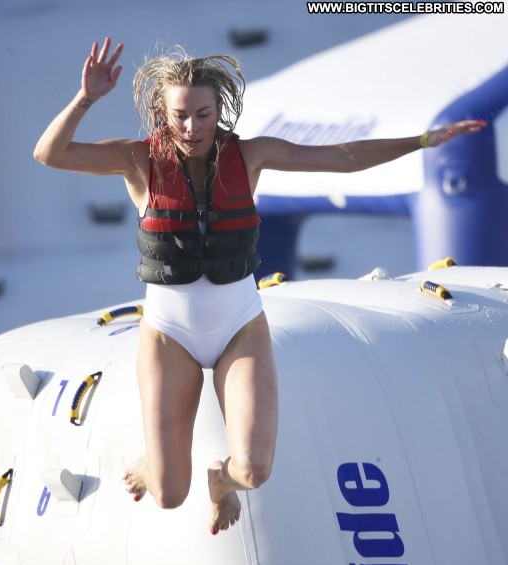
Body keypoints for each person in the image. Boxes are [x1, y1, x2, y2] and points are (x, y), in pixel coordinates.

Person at [34, 37, 486, 535]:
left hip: (239, 328)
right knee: (168, 493)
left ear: (219, 111)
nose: (192, 127)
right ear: (162, 115)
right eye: (180, 116)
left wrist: (422, 141)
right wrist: (86, 99)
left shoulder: (250, 155)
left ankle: (221, 482)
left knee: (253, 471)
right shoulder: (137, 159)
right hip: (169, 335)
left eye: (203, 115)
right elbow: (49, 153)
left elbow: (342, 157)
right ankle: (155, 463)